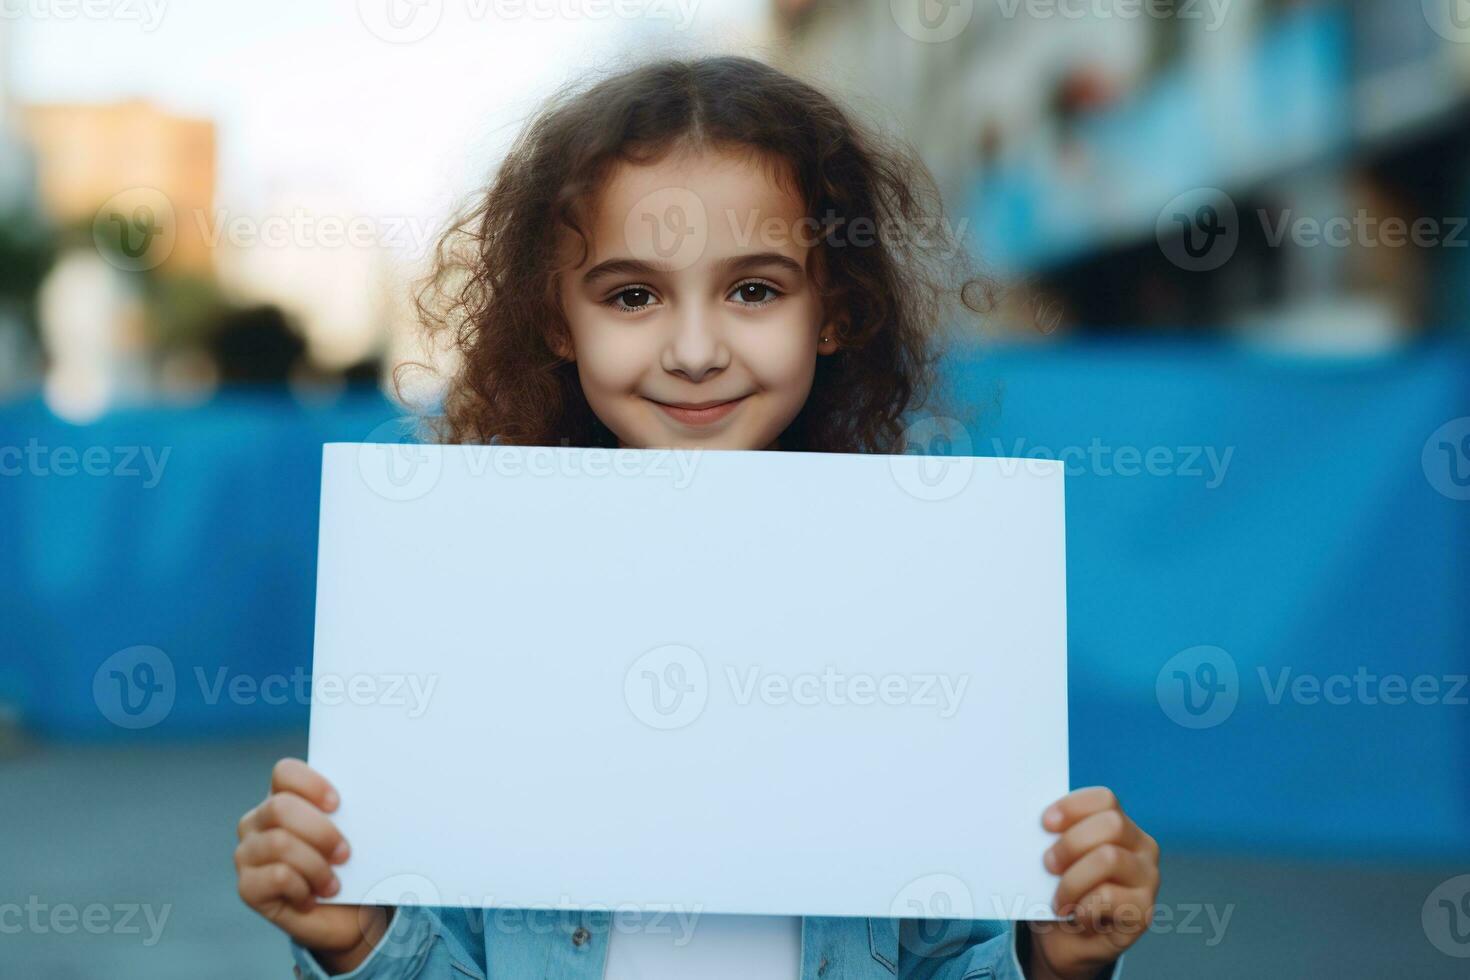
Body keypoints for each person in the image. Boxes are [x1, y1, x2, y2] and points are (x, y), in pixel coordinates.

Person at [233, 55, 1160, 980]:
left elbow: (949, 958)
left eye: (753, 290)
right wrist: (361, 942)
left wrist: (1055, 961)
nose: (694, 350)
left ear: (833, 309)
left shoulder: (917, 602)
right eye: (632, 296)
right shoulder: (471, 606)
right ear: (558, 321)